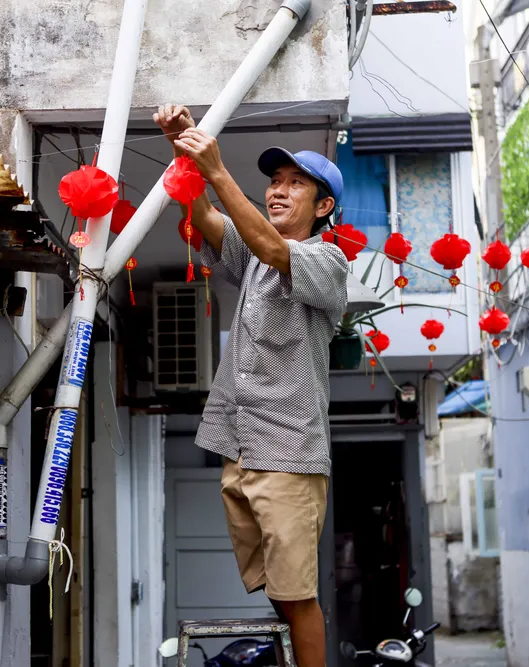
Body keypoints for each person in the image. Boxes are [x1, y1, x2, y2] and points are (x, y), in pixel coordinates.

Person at [154, 105, 347, 667]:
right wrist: (181, 148)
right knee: (276, 592)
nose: (278, 191)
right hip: (241, 445)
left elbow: (271, 247)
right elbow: (204, 216)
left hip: (289, 452)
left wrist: (217, 168)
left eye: (295, 184)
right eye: (275, 181)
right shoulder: (257, 256)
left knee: (297, 595)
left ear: (323, 207)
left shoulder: (326, 258)